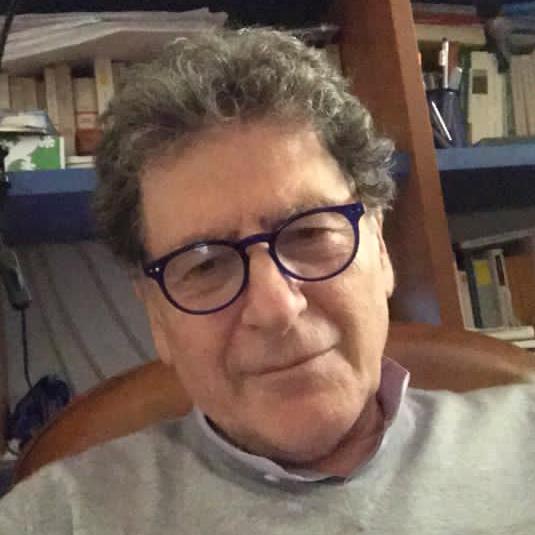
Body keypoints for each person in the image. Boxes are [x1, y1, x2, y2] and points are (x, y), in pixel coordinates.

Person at [1, 28, 534, 535]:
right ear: (156, 317)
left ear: (379, 246)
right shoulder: (55, 518)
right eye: (205, 265)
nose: (277, 307)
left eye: (310, 233)